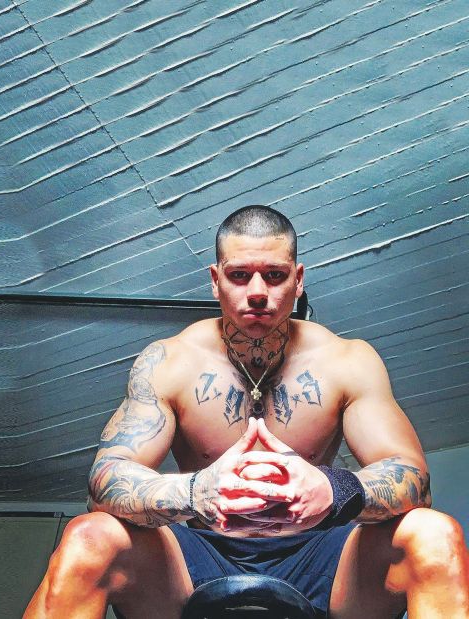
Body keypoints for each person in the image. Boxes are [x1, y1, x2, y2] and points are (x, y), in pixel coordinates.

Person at [23, 205, 469, 619]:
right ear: (215, 280)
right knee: (88, 537)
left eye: (274, 275)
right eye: (239, 275)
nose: (257, 292)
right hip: (195, 552)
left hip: (321, 554)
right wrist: (194, 491)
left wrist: (333, 490)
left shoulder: (346, 360)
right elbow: (105, 482)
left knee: (434, 534)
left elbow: (414, 481)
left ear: (298, 280)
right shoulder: (170, 361)